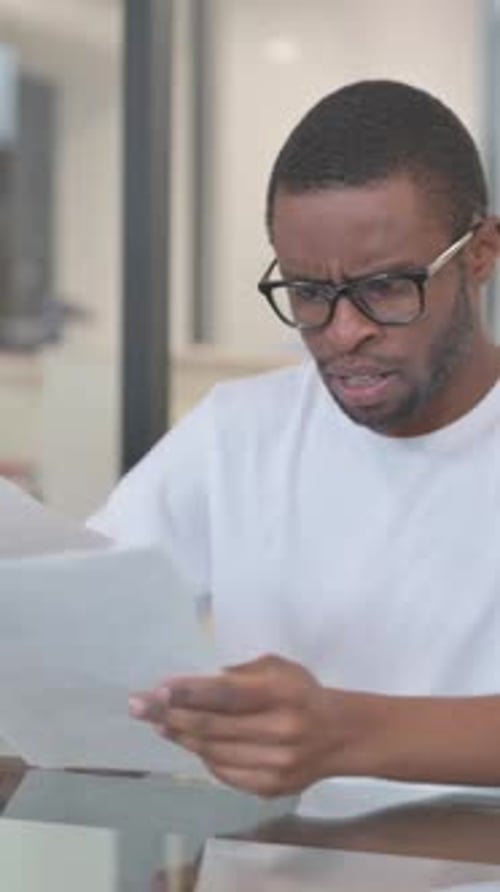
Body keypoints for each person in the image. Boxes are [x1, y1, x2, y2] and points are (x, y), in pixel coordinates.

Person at [90, 79, 500, 798]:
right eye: (309, 294)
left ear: (480, 254)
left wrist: (344, 733)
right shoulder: (239, 431)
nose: (344, 333)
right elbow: (77, 619)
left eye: (387, 287)